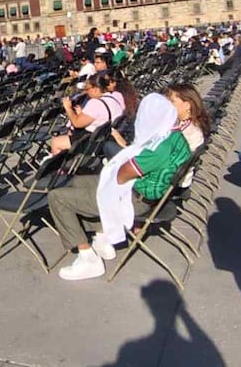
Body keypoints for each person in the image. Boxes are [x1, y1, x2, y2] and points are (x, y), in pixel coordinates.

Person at [47, 93, 191, 281]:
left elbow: (124, 173)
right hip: (142, 189)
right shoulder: (175, 136)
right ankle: (102, 235)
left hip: (136, 197)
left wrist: (117, 171)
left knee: (57, 197)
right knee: (76, 181)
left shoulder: (160, 147)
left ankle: (87, 258)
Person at [50, 73, 122, 156]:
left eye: (87, 89)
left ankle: (61, 168)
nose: (86, 92)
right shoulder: (114, 99)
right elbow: (100, 118)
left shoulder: (95, 103)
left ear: (95, 89)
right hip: (107, 138)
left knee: (56, 142)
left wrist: (68, 108)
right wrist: (81, 114)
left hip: (94, 143)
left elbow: (76, 123)